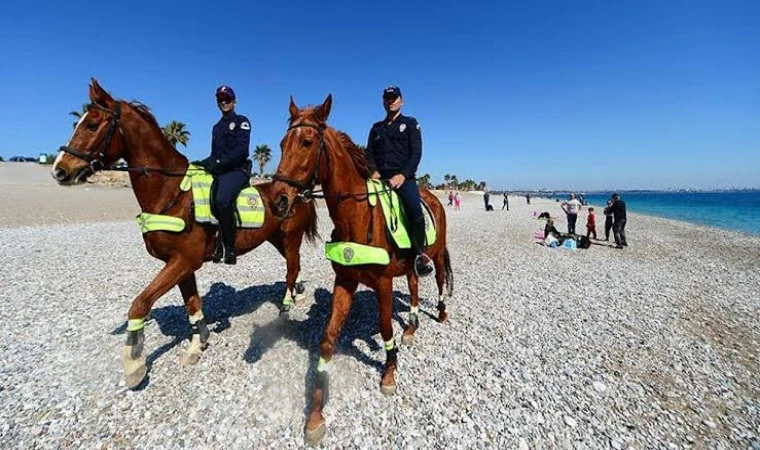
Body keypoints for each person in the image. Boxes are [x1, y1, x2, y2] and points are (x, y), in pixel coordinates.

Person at [365, 86, 433, 277]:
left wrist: (402, 175)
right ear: (383, 101)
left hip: (404, 180)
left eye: (394, 98)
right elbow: (369, 154)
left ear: (401, 101)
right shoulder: (376, 128)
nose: (390, 101)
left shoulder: (411, 124)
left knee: (414, 209)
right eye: (387, 98)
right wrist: (374, 170)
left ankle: (420, 255)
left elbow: (416, 154)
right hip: (379, 179)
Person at [193, 85, 252, 265]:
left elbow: (242, 151)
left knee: (221, 200)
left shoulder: (242, 121)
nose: (224, 102)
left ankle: (230, 247)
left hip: (237, 171)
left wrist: (218, 163)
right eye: (220, 99)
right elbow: (214, 154)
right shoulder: (216, 127)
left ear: (234, 101)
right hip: (221, 171)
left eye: (227, 99)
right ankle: (213, 244)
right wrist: (202, 163)